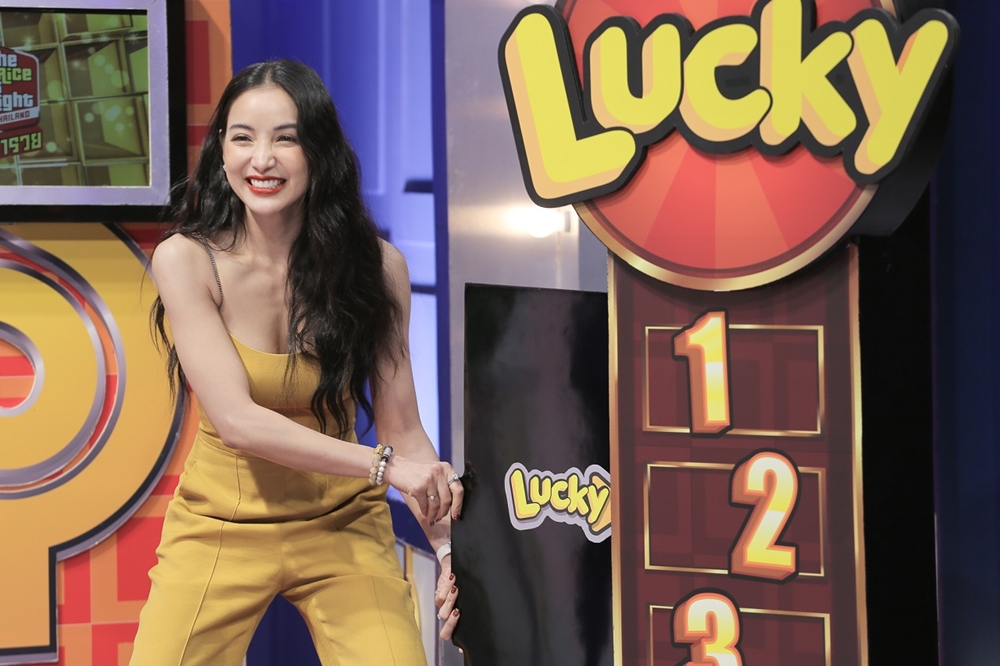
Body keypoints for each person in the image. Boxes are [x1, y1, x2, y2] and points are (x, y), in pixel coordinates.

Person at [130, 59, 462, 665]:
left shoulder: (378, 267)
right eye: (243, 138)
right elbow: (238, 421)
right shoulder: (186, 259)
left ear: (319, 151)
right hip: (221, 522)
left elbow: (404, 430)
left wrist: (447, 551)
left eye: (286, 138)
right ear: (221, 151)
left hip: (342, 521)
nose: (262, 160)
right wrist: (384, 467)